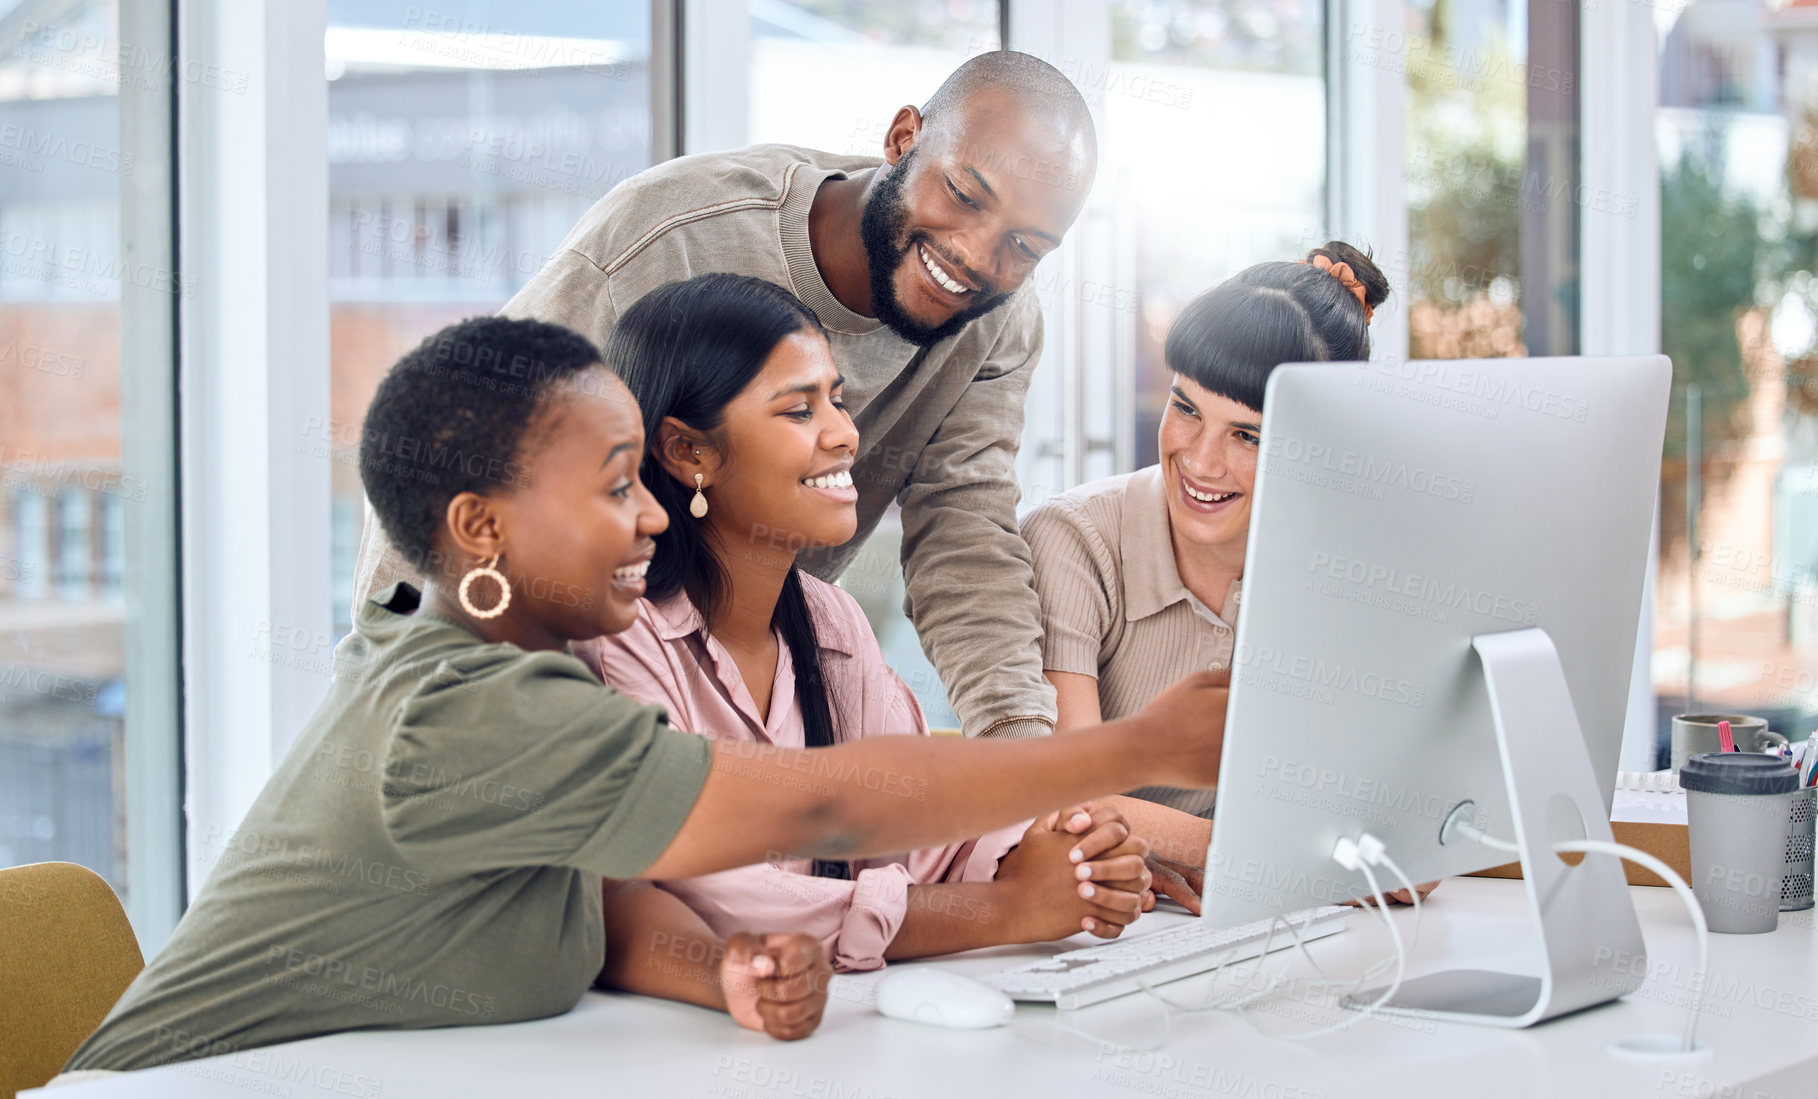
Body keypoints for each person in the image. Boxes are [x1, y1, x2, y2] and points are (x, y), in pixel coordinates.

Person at [65, 316, 1228, 1075]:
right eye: (619, 486)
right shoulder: (465, 709)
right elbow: (833, 806)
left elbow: (606, 894)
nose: (654, 516)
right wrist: (1136, 746)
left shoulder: (504, 671)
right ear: (481, 527)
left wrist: (718, 967)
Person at [348, 50, 1099, 743]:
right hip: (564, 674)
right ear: (904, 137)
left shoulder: (997, 322)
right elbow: (469, 443)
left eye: (1027, 247)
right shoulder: (668, 236)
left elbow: (964, 537)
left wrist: (1022, 754)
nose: (976, 253)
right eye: (963, 194)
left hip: (736, 683)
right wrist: (400, 679)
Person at [569, 275, 1156, 984]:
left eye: (838, 399)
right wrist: (1007, 910)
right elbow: (711, 894)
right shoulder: (615, 634)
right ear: (688, 452)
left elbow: (916, 824)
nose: (846, 434)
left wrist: (1059, 852)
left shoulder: (829, 620)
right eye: (797, 410)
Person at [1022, 243, 1428, 907]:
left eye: (1248, 436)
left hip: (1252, 926)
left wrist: (1161, 835)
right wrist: (1243, 851)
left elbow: (1410, 857)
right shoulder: (1074, 540)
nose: (1200, 461)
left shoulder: (1341, 574)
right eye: (1185, 408)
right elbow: (1065, 795)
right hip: (1099, 922)